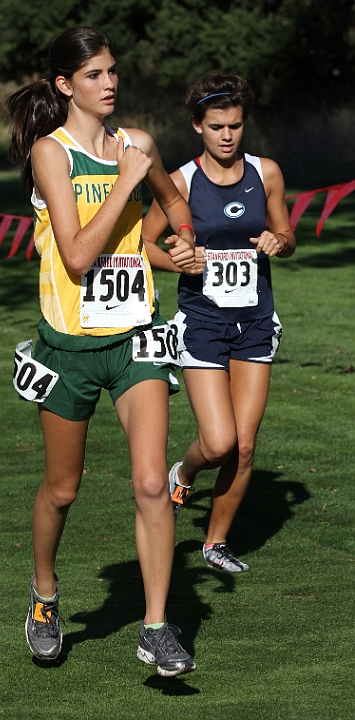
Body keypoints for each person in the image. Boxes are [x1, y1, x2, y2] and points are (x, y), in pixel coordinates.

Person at [7, 27, 200, 676]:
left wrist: (182, 247)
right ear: (65, 86)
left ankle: (154, 625)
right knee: (62, 491)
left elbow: (175, 205)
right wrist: (125, 182)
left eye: (111, 71)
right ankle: (44, 594)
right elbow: (77, 254)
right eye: (93, 75)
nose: (109, 82)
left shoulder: (139, 144)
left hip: (134, 340)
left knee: (151, 482)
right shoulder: (50, 155)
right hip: (67, 350)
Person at [142, 71, 296, 574]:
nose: (227, 135)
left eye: (235, 125)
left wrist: (280, 242)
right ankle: (184, 470)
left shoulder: (265, 172)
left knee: (246, 445)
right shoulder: (181, 182)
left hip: (254, 321)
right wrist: (182, 261)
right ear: (197, 126)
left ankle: (215, 542)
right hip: (203, 322)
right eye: (216, 126)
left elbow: (286, 233)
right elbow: (143, 246)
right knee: (219, 442)